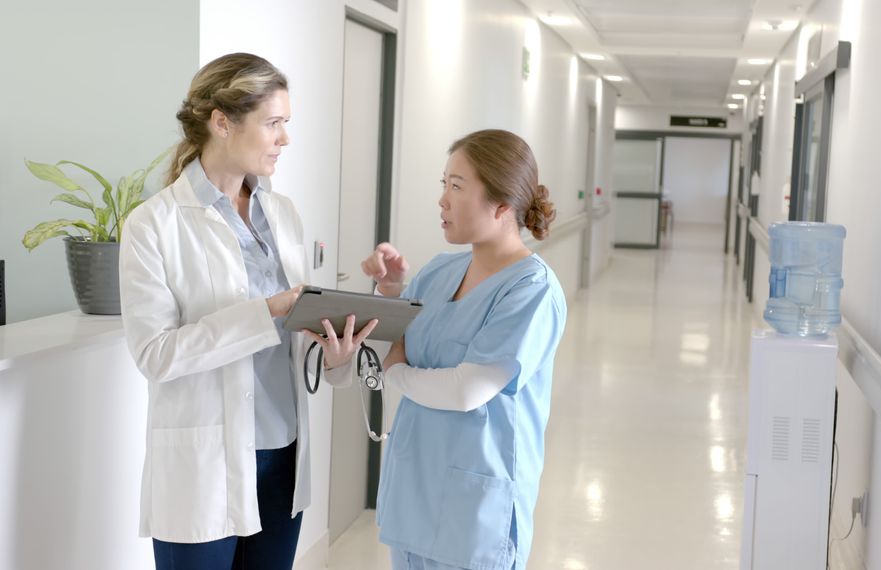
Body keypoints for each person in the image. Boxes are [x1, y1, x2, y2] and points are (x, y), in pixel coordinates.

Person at [119, 52, 375, 570]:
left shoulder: (282, 214)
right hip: (206, 463)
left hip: (284, 453)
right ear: (221, 123)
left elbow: (292, 338)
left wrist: (335, 356)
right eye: (273, 123)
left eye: (287, 123)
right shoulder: (154, 225)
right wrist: (267, 311)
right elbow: (155, 354)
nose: (286, 138)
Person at [355, 129, 567, 570]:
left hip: (475, 512)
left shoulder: (532, 290)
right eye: (443, 185)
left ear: (503, 204)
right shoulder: (439, 271)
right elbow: (396, 342)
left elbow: (466, 390)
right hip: (415, 490)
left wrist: (394, 374)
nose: (442, 201)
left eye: (457, 187)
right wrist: (391, 291)